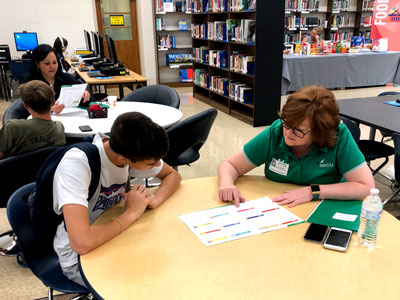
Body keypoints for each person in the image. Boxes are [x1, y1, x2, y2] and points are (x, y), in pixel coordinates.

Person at [52, 111, 181, 287]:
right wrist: (131, 214)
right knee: (144, 285)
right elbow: (82, 243)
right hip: (78, 255)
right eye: (151, 164)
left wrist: (155, 200)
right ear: (124, 159)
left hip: (116, 236)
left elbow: (172, 176)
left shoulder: (128, 151)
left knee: (168, 265)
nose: (157, 165)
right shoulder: (77, 164)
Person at [217, 85, 375, 208]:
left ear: (321, 132)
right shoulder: (277, 131)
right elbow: (230, 165)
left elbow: (366, 188)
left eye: (298, 130)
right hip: (281, 208)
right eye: (286, 123)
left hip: (324, 207)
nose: (288, 133)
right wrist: (226, 183)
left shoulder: (339, 136)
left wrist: (313, 191)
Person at [0, 80, 66, 159]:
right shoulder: (59, 128)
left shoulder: (12, 127)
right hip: (46, 170)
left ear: (25, 106)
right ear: (53, 103)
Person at [24, 44, 90, 114]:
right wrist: (49, 109)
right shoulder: (30, 83)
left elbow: (83, 91)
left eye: (55, 62)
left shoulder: (65, 78)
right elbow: (28, 108)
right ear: (37, 64)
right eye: (47, 63)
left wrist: (86, 94)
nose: (52, 66)